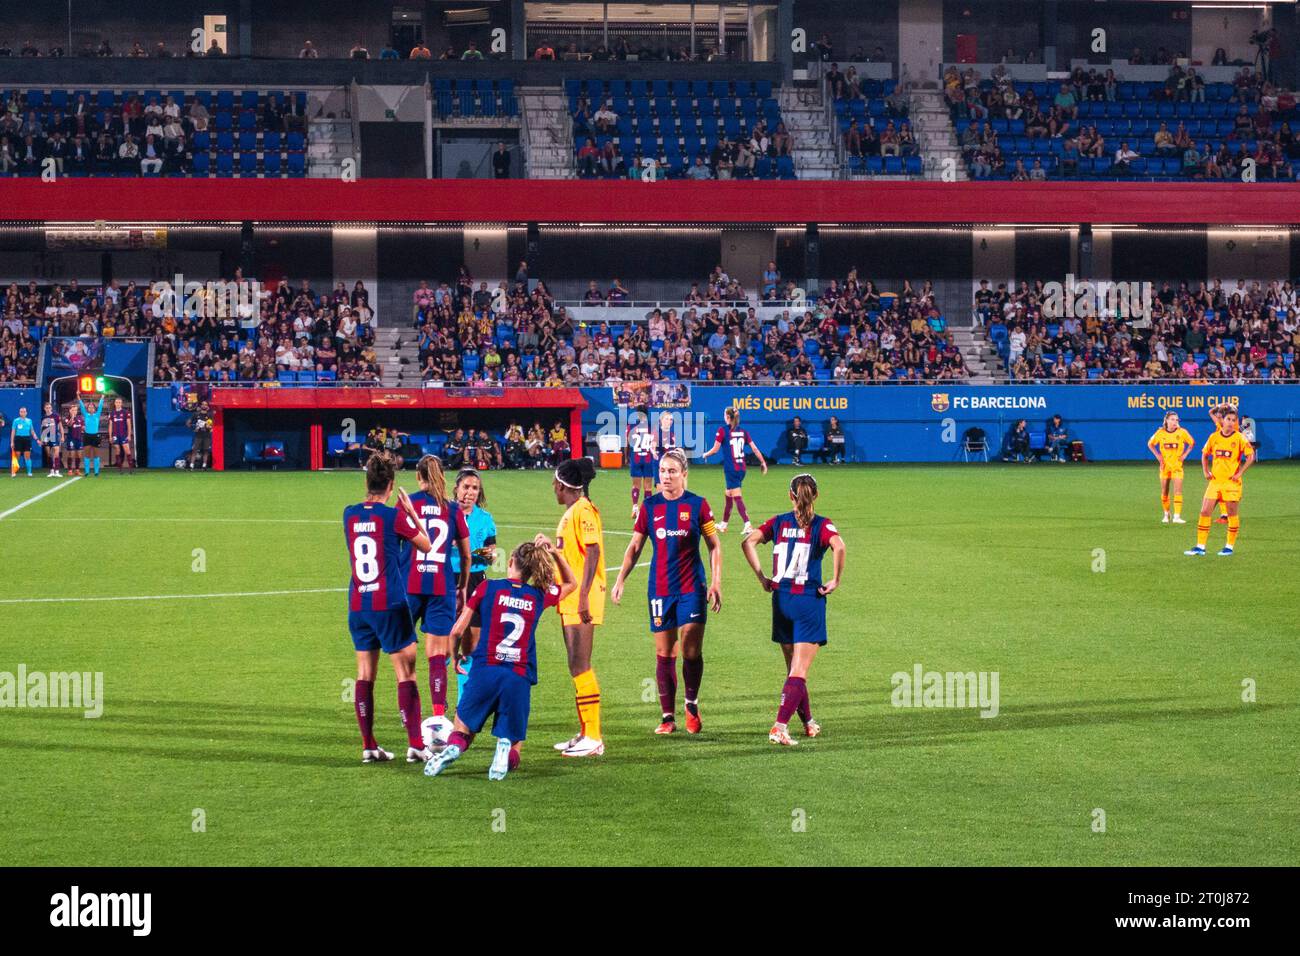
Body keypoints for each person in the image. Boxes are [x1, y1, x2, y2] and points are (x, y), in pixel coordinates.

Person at [424, 539, 576, 780]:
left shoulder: (487, 588)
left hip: (485, 671)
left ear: (511, 561)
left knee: (462, 726)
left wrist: (455, 658)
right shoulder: (539, 594)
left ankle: (454, 748)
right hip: (517, 676)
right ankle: (505, 750)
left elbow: (456, 631)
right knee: (516, 741)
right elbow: (571, 583)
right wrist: (555, 553)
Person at [611, 449, 722, 735]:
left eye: (672, 471)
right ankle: (667, 716)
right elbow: (635, 546)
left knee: (691, 650)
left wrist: (716, 582)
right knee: (664, 653)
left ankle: (691, 703)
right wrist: (621, 579)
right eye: (662, 471)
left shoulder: (698, 505)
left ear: (684, 474)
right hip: (659, 589)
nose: (666, 476)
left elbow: (714, 545)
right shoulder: (650, 507)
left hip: (691, 588)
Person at [342, 453, 436, 763]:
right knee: (405, 674)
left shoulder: (349, 514)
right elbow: (426, 545)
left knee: (365, 674)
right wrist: (409, 511)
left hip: (359, 604)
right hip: (390, 604)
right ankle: (416, 744)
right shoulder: (392, 517)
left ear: (366, 482)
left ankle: (369, 745)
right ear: (392, 484)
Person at [741, 473, 845, 746]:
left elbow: (748, 542)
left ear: (790, 496)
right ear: (816, 495)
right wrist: (835, 580)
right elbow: (839, 546)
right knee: (799, 670)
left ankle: (808, 723)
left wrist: (762, 577)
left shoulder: (778, 522)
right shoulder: (822, 525)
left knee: (794, 671)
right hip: (807, 602)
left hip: (781, 599)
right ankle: (779, 726)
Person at [403, 456, 471, 726]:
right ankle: (439, 719)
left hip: (409, 585)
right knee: (437, 655)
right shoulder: (452, 509)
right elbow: (465, 555)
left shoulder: (408, 503)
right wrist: (463, 586)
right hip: (440, 586)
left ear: (419, 477)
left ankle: (410, 718)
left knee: (405, 657)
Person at [549, 457, 606, 757]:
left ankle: (594, 737)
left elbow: (593, 551)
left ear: (562, 485)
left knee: (581, 664)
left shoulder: (583, 510)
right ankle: (585, 731)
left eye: (555, 484)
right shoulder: (573, 511)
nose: (553, 489)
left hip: (583, 598)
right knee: (575, 665)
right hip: (570, 597)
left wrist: (583, 596)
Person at [1186, 406, 1253, 556]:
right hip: (1215, 482)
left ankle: (1229, 547)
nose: (1230, 422)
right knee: (1204, 511)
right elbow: (1204, 454)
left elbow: (1251, 456)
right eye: (1228, 419)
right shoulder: (1214, 437)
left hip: (1231, 483)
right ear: (1222, 420)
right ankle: (1200, 547)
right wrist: (1205, 471)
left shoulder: (1239, 438)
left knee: (1231, 515)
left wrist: (1240, 473)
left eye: (1233, 420)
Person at [700, 406, 767, 534]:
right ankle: (724, 524)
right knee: (728, 494)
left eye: (725, 415)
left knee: (736, 496)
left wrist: (705, 455)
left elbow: (715, 450)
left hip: (731, 469)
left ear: (728, 417)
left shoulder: (722, 431)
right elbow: (755, 449)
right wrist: (763, 462)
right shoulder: (743, 432)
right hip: (742, 468)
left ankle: (747, 524)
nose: (723, 417)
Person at [1147, 412, 1194, 524]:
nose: (1175, 422)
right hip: (1165, 467)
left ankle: (1177, 516)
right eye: (1172, 419)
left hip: (1177, 467)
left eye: (1177, 420)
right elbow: (1150, 444)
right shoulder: (1160, 433)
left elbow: (1192, 443)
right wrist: (1158, 457)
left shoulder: (1182, 432)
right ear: (1166, 420)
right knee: (1165, 491)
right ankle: (1166, 514)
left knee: (1177, 491)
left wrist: (1185, 455)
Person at [626, 404, 657, 519]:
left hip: (636, 457)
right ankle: (646, 510)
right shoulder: (652, 426)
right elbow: (655, 443)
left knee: (635, 485)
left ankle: (635, 506)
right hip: (648, 458)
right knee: (648, 486)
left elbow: (627, 443)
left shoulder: (631, 426)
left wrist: (626, 456)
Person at [78, 395, 105, 478]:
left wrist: (102, 398)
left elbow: (100, 406)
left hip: (95, 436)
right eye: (89, 407)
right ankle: (87, 472)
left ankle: (96, 472)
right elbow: (82, 405)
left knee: (96, 455)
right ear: (87, 409)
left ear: (94, 409)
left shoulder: (97, 415)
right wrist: (78, 396)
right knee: (87, 455)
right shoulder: (85, 415)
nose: (91, 408)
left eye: (92, 407)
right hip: (87, 436)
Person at [108, 398, 133, 472]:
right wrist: (110, 436)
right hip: (115, 435)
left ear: (121, 404)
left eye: (119, 402)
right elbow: (110, 425)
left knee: (127, 450)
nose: (118, 403)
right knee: (117, 450)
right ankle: (120, 468)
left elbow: (129, 425)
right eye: (117, 402)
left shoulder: (126, 412)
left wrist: (129, 435)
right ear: (115, 403)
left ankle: (130, 468)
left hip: (124, 435)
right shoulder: (112, 413)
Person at [9, 405, 33, 477]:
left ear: (26, 413)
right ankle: (13, 472)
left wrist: (37, 439)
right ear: (19, 413)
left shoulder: (29, 421)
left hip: (27, 439)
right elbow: (13, 432)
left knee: (27, 456)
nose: (23, 413)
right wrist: (12, 442)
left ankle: (29, 472)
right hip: (18, 439)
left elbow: (32, 431)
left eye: (24, 411)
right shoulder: (16, 421)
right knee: (17, 455)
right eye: (21, 412)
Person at [188, 400, 213, 470]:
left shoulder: (210, 415)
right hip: (198, 435)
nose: (204, 406)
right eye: (203, 404)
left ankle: (204, 466)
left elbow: (212, 424)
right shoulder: (196, 414)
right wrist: (193, 427)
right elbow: (188, 423)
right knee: (194, 450)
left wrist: (210, 427)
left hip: (207, 435)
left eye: (205, 404)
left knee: (206, 450)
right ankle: (191, 466)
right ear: (201, 405)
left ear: (207, 406)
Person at [39, 402, 61, 477]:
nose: (48, 409)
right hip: (46, 437)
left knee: (56, 452)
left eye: (49, 407)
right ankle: (51, 471)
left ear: (51, 408)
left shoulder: (56, 416)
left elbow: (60, 426)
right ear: (44, 409)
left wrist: (63, 435)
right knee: (49, 454)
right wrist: (41, 439)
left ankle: (57, 471)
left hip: (54, 436)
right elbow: (42, 428)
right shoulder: (43, 418)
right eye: (46, 408)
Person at [62, 403, 84, 476]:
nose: (74, 411)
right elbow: (69, 425)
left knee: (79, 455)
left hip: (79, 438)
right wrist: (72, 417)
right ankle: (70, 470)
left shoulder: (80, 418)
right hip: (71, 439)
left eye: (75, 410)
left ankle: (77, 470)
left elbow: (83, 427)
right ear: (70, 411)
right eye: (73, 410)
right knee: (71, 454)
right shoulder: (67, 418)